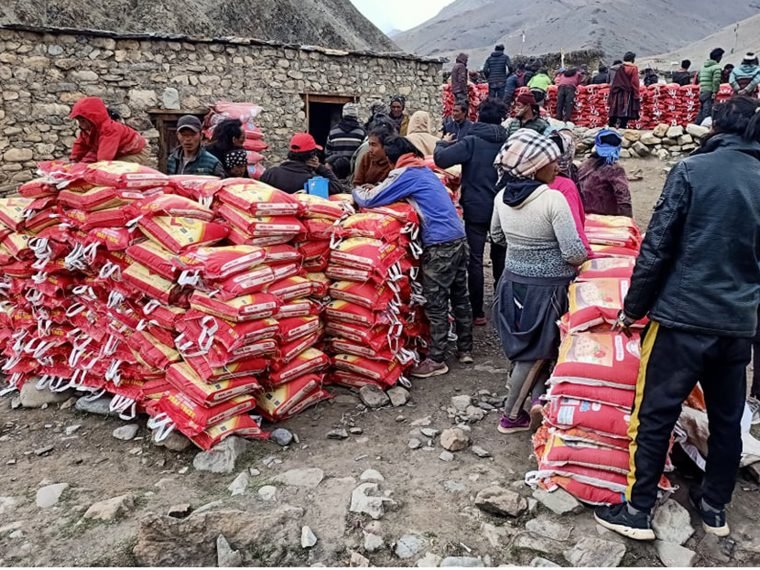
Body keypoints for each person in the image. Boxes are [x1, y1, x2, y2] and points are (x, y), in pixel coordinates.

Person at [594, 96, 760, 541]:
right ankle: (715, 507)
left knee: (654, 413)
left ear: (715, 127)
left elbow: (657, 246)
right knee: (727, 418)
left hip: (682, 321)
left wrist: (633, 308)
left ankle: (637, 509)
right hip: (737, 325)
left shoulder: (691, 171)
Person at [491, 128, 588, 433]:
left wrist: (523, 247)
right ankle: (510, 416)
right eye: (551, 162)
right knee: (537, 352)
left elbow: (497, 236)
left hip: (512, 282)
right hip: (547, 289)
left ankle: (536, 400)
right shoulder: (552, 200)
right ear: (534, 167)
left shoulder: (501, 198)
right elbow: (574, 252)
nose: (557, 167)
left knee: (525, 347)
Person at [353, 136, 473, 378]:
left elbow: (371, 199)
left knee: (436, 301)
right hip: (459, 237)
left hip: (439, 244)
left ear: (392, 157)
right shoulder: (423, 170)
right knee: (460, 295)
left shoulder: (405, 174)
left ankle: (437, 359)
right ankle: (465, 349)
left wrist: (357, 190)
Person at [434, 98, 509, 326]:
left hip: (476, 208)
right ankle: (502, 307)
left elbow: (441, 159)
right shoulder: (509, 142)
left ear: (479, 116)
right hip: (504, 208)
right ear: (501, 119)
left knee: (475, 260)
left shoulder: (472, 141)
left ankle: (477, 312)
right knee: (501, 256)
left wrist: (442, 143)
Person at [548, 128, 592, 256]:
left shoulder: (530, 177)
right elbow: (573, 223)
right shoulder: (565, 184)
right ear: (570, 152)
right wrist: (587, 252)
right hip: (557, 251)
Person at [68, 96, 148, 164]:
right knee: (86, 165)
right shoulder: (88, 130)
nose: (80, 124)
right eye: (79, 121)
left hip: (135, 151)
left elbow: (104, 160)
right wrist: (74, 161)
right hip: (116, 150)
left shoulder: (110, 130)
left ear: (92, 118)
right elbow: (80, 145)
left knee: (115, 170)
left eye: (82, 121)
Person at [259, 133, 344, 195]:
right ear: (312, 157)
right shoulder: (313, 182)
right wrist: (320, 167)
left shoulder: (270, 174)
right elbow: (337, 186)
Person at [577, 129, 632, 217]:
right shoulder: (614, 169)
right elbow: (623, 197)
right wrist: (627, 219)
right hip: (606, 218)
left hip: (583, 215)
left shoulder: (585, 164)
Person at [608, 52, 641, 129]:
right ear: (632, 59)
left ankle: (611, 123)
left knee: (615, 107)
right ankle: (622, 125)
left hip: (617, 90)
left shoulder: (620, 67)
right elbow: (634, 81)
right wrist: (636, 93)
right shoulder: (633, 68)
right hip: (627, 91)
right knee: (625, 108)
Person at [696, 48, 725, 124]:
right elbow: (716, 81)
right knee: (707, 112)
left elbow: (699, 78)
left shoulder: (703, 67)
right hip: (709, 91)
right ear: (718, 57)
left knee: (702, 110)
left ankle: (696, 125)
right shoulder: (716, 67)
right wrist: (715, 91)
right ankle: (704, 128)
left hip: (702, 90)